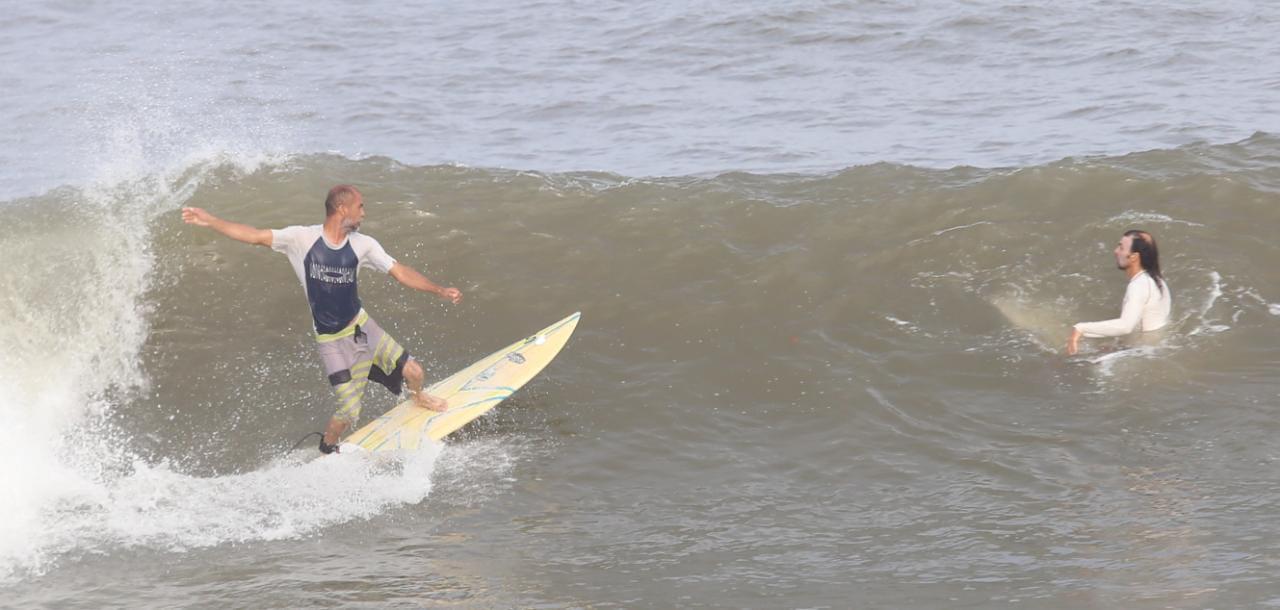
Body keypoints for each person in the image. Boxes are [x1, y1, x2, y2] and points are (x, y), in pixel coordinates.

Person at [182, 185, 463, 454]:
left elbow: (400, 272)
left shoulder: (364, 245)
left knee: (414, 372)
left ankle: (418, 396)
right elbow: (254, 235)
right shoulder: (300, 239)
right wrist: (211, 220)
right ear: (342, 208)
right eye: (360, 206)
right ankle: (327, 448)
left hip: (362, 327)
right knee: (349, 411)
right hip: (331, 340)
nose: (364, 213)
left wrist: (439, 290)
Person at [1067, 229, 1170, 355]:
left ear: (1134, 257)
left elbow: (1126, 326)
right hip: (1154, 349)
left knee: (1066, 361)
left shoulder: (1138, 286)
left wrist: (1080, 329)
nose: (1116, 251)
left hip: (1141, 353)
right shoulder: (1158, 280)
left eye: (1121, 248)